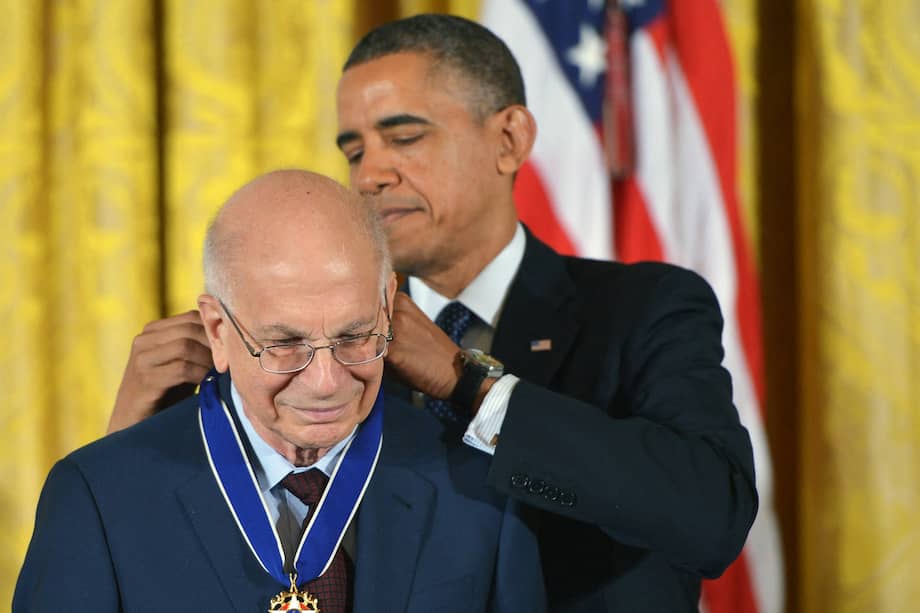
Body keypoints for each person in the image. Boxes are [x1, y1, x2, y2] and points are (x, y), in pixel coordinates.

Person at [104, 14, 758, 612]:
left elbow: (710, 515)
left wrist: (464, 379)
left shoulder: (644, 310)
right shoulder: (321, 348)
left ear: (509, 139)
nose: (369, 176)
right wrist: (129, 431)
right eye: (354, 150)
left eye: (404, 137)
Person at [14, 170, 546, 612]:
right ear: (218, 330)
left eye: (355, 336)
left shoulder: (480, 489)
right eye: (284, 345)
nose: (326, 382)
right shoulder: (98, 496)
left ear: (388, 303)